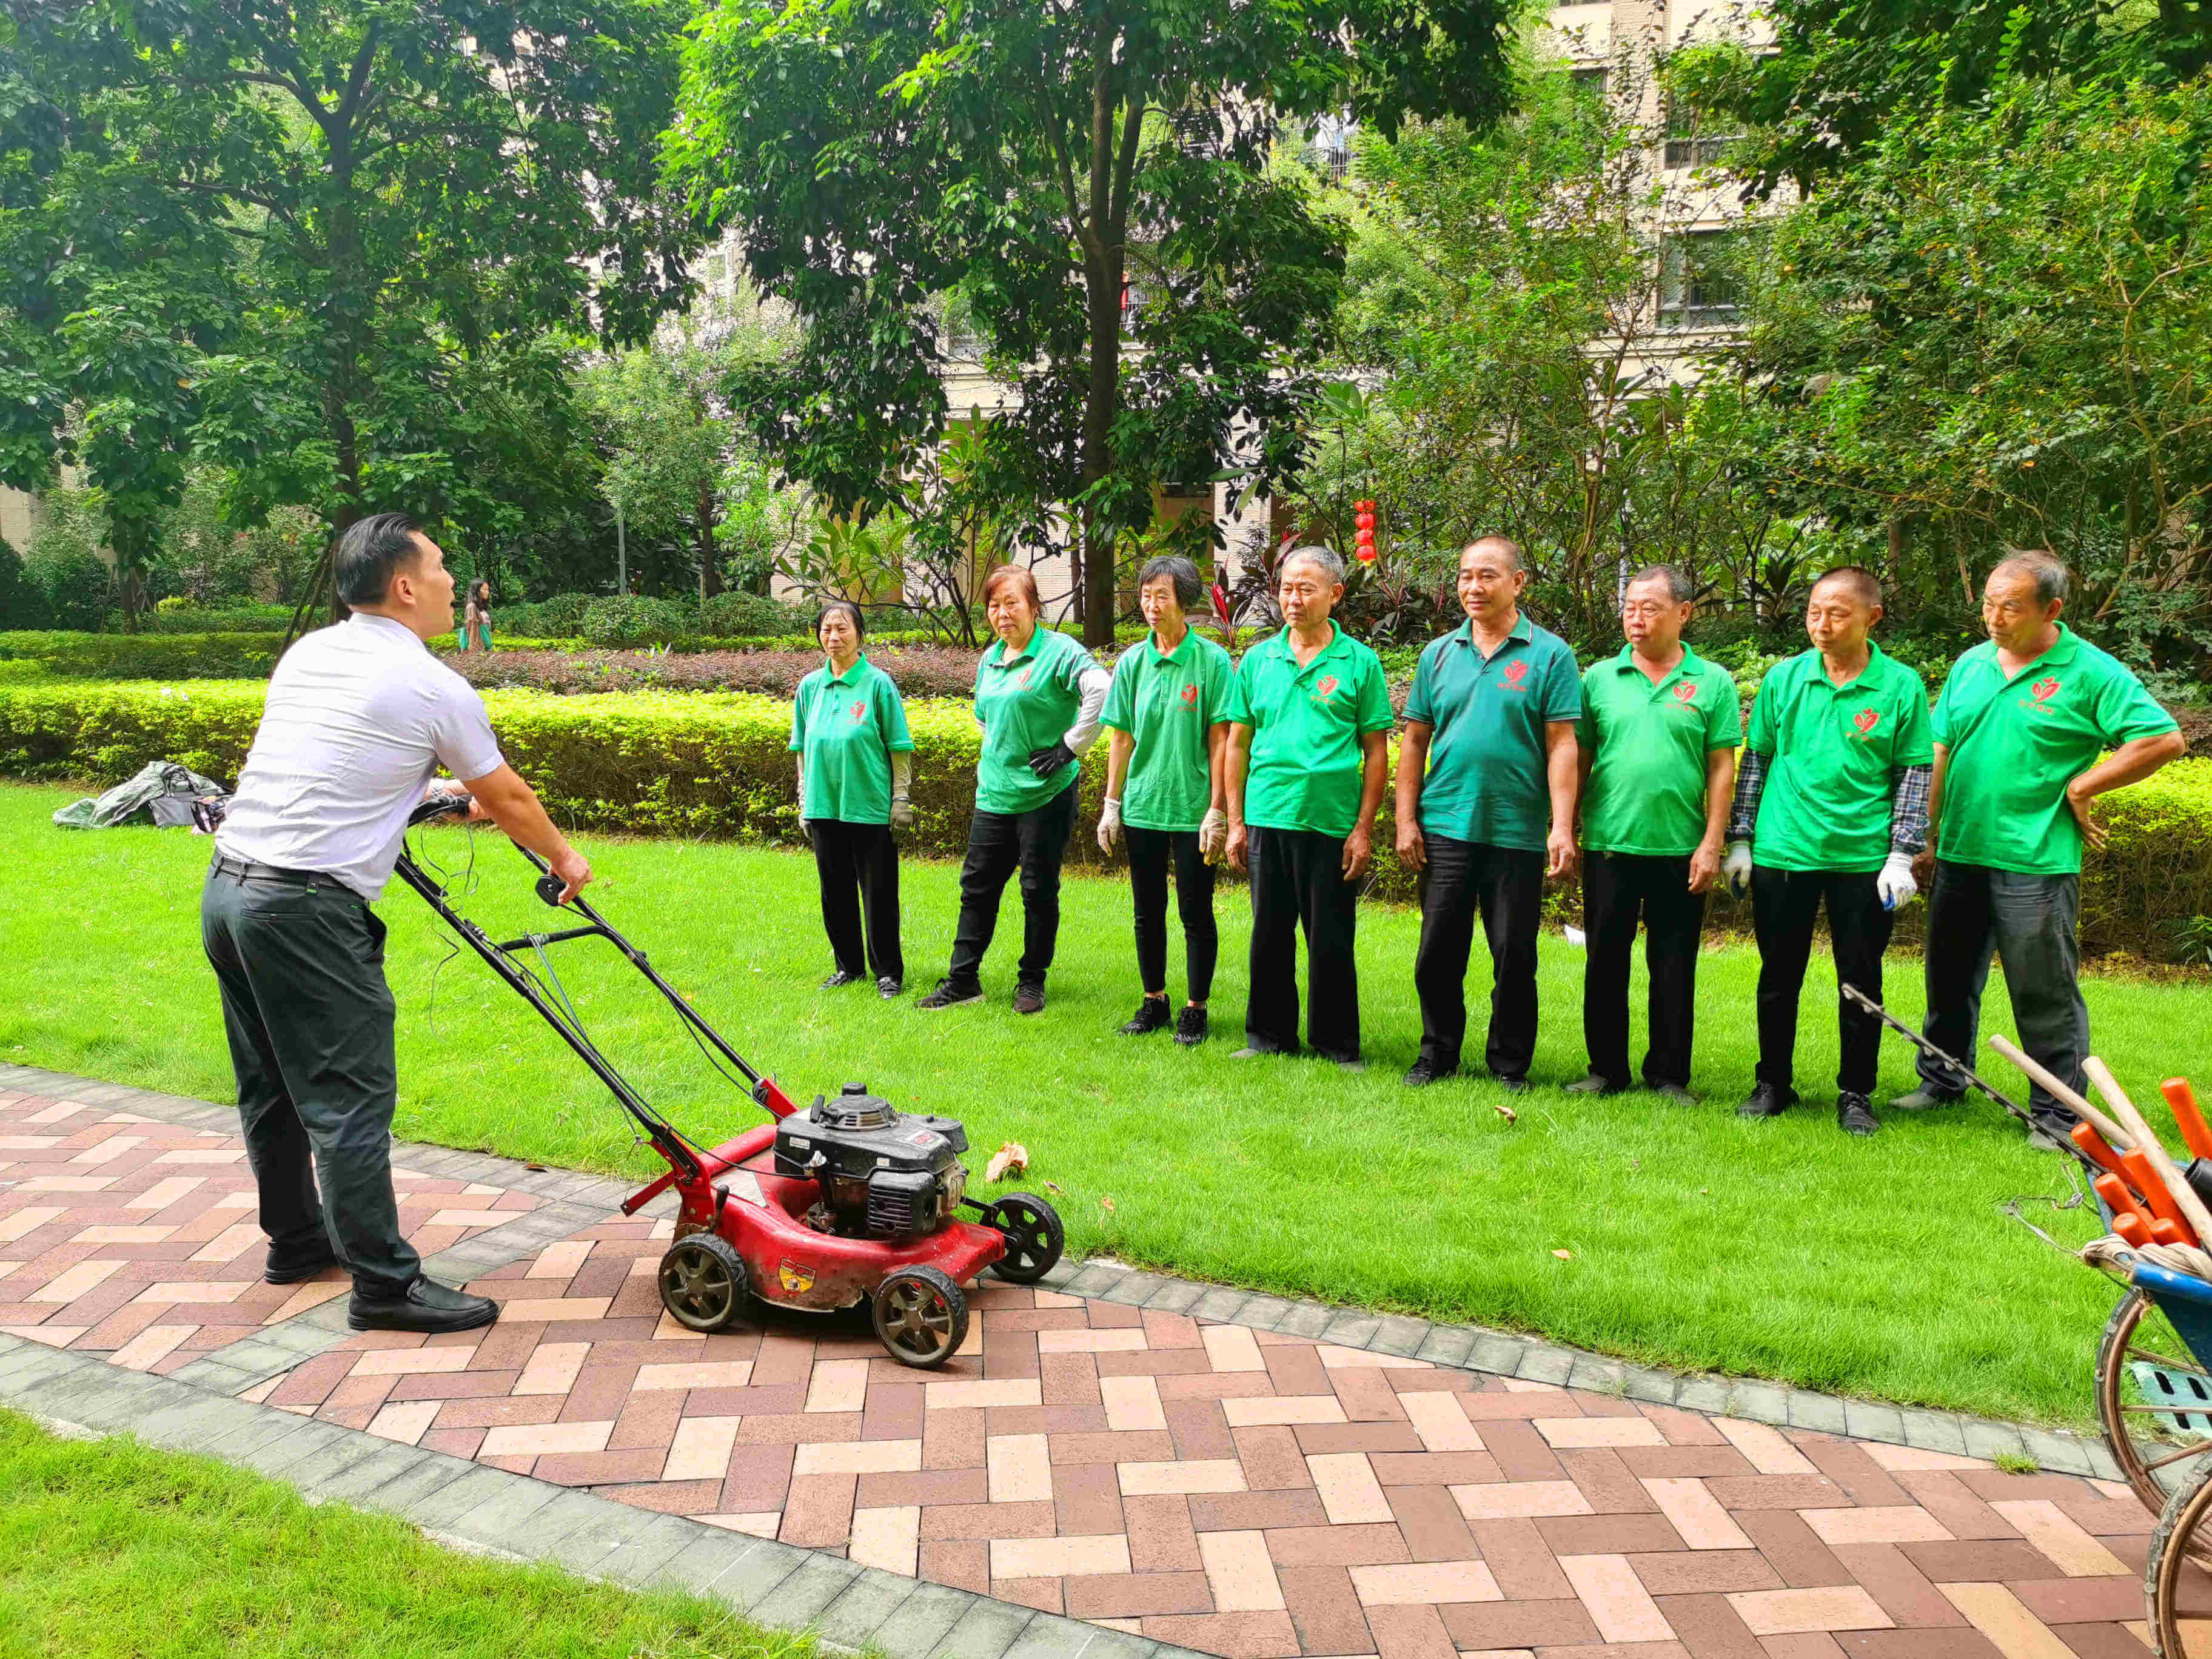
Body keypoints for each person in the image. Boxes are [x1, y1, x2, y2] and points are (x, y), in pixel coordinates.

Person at [204, 513, 592, 1335]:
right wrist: (566, 861)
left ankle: (298, 1244)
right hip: (306, 909)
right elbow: (510, 796)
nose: (457, 582)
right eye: (444, 568)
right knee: (348, 1099)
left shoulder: (310, 653)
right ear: (406, 585)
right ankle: (384, 1286)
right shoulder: (431, 684)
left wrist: (437, 799)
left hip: (232, 893)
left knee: (272, 1086)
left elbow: (339, 768)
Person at [1894, 552, 2184, 1143]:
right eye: (1988, 604)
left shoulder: (2091, 671)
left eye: (2010, 607)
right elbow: (1941, 749)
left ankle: (2058, 1113)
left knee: (2043, 988)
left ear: (2051, 610)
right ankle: (1942, 1080)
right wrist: (1923, 834)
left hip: (2035, 856)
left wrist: (2083, 784)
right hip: (1963, 850)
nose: (1994, 618)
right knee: (1948, 975)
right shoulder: (1972, 664)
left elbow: (2162, 739)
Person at [1723, 568, 1932, 1137]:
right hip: (1784, 852)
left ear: (1873, 617)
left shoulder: (1900, 686)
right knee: (1778, 975)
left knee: (1861, 979)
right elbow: (1758, 760)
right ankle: (1773, 1083)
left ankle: (1856, 1092)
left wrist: (1901, 855)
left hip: (1862, 859)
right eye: (1815, 611)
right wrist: (1740, 839)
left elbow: (1913, 771)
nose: (1822, 624)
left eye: (1838, 613)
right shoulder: (1785, 678)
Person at [1396, 536, 1580, 1091]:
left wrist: (1562, 826)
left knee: (1515, 955)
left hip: (1516, 831)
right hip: (1446, 824)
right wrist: (1406, 820)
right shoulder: (1439, 654)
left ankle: (1508, 1063)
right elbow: (1413, 743)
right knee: (1436, 955)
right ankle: (1437, 1053)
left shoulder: (1550, 655)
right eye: (1464, 577)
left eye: (1487, 576)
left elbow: (1562, 745)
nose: (1473, 587)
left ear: (1518, 582)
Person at [1570, 564, 1739, 1101]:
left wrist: (1713, 843)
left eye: (1650, 608)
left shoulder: (1712, 681)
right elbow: (1579, 756)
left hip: (1681, 849)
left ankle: (1669, 1075)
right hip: (1610, 843)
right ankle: (1605, 1071)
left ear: (1684, 613)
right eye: (1629, 609)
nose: (1635, 619)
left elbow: (1721, 767)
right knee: (1604, 964)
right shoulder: (1598, 678)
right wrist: (1565, 828)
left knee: (1673, 966)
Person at [1225, 546, 1394, 1069]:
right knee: (1269, 936)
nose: (1292, 600)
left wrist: (1363, 829)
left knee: (1331, 940)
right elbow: (1237, 743)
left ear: (1335, 594)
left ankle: (1337, 1045)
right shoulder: (1258, 660)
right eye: (1286, 589)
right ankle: (1268, 1038)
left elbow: (1376, 750)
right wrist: (1234, 822)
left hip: (1330, 822)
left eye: (1306, 589)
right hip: (1268, 815)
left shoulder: (1358, 662)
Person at [919, 566, 1110, 1014]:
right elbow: (985, 716)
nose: (1003, 614)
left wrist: (1070, 745)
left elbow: (1103, 688)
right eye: (994, 605)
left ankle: (1032, 982)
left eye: (1012, 604)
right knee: (977, 888)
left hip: (1046, 795)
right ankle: (963, 981)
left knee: (1037, 889)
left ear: (1034, 607)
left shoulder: (1060, 652)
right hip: (995, 795)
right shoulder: (991, 658)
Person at [1097, 555, 1235, 1045]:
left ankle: (1196, 1008)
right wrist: (1111, 804)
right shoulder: (1133, 662)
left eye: (1163, 596)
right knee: (1146, 909)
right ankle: (1154, 999)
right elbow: (1121, 738)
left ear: (1185, 601)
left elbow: (1222, 739)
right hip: (1143, 806)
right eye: (1146, 596)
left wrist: (1217, 810)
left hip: (1193, 806)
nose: (1152, 607)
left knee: (1196, 910)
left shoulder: (1213, 661)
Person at [791, 600, 914, 998]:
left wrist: (901, 798)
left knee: (878, 893)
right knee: (835, 891)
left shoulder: (878, 684)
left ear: (860, 634)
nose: (834, 637)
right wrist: (803, 799)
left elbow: (899, 746)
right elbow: (802, 750)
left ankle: (887, 973)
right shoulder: (810, 687)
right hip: (825, 806)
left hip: (871, 807)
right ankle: (848, 967)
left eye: (842, 628)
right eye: (827, 629)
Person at [458, 578, 494, 653]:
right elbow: (472, 630)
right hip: (477, 649)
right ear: (477, 591)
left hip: (485, 648)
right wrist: (475, 650)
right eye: (484, 589)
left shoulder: (481, 606)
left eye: (488, 590)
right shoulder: (472, 607)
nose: (487, 592)